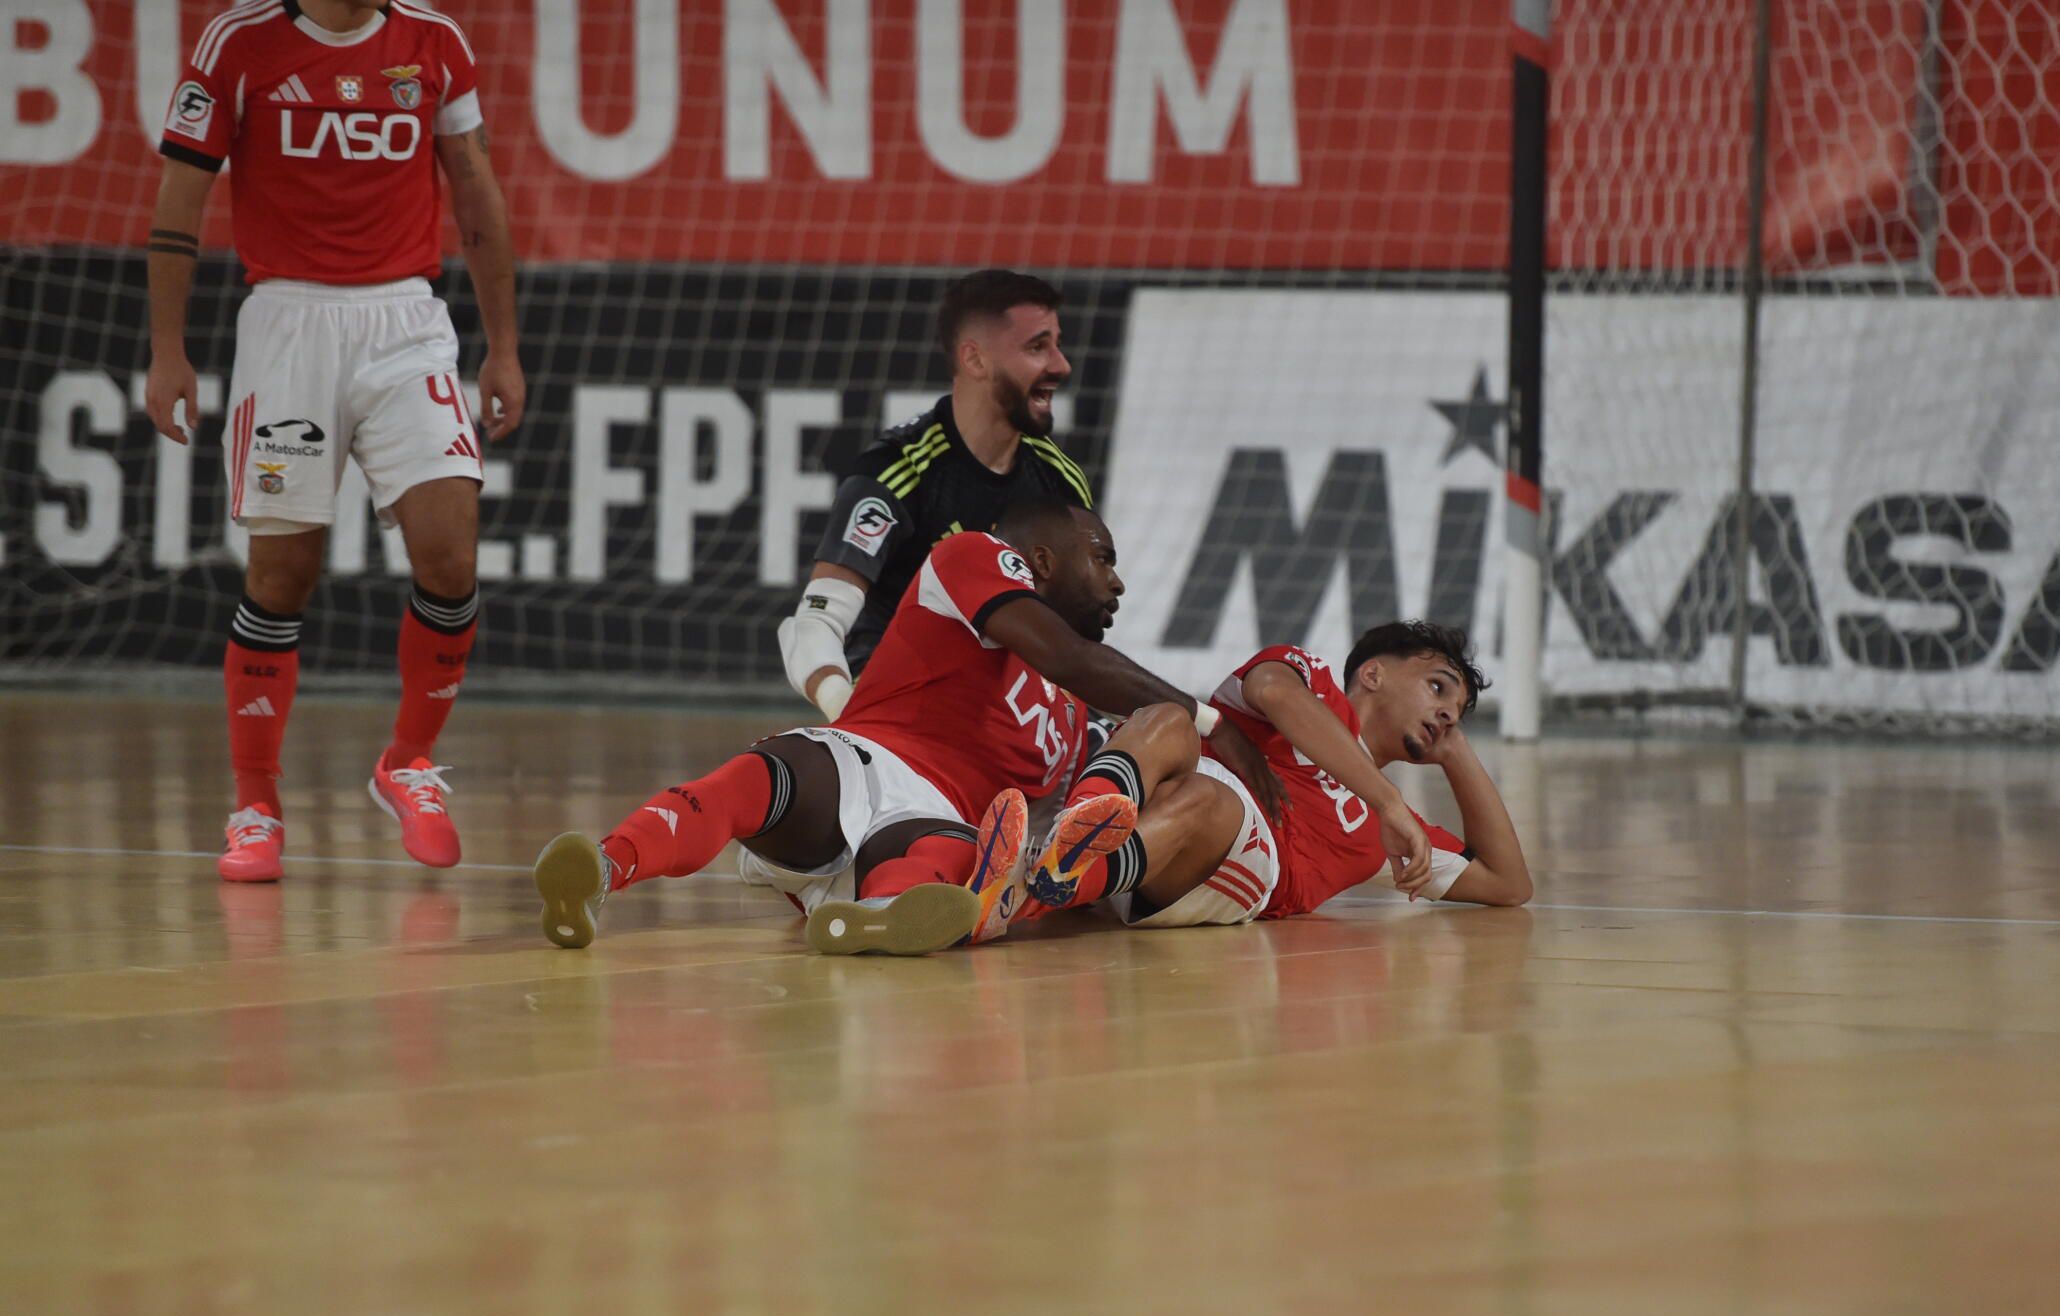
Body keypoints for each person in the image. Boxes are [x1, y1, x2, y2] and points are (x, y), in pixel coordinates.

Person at [534, 498, 1283, 955]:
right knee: (767, 776)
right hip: (869, 756)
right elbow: (1072, 656)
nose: (1117, 581)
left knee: (933, 860)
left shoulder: (1075, 717)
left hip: (940, 821)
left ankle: (872, 922)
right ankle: (604, 867)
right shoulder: (975, 557)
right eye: (1102, 558)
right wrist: (1210, 717)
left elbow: (1092, 789)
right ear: (1041, 558)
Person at [145, 0, 525, 882]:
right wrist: (169, 350)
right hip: (288, 325)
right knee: (281, 576)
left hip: (406, 324)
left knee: (450, 553)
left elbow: (474, 187)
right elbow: (179, 203)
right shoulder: (237, 44)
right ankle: (255, 804)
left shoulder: (434, 40)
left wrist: (502, 344)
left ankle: (408, 762)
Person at [848, 622, 1528, 952]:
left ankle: (1026, 889)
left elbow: (1508, 882)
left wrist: (1459, 750)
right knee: (1170, 717)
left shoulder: (1390, 834)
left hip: (1232, 872)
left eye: (1457, 711)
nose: (1446, 711)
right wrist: (1387, 802)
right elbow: (1271, 694)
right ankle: (1052, 860)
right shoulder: (1310, 680)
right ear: (1374, 673)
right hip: (1152, 809)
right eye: (1439, 687)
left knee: (1213, 801)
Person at [778, 269, 1093, 721]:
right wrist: (845, 709)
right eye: (1037, 347)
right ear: (976, 360)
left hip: (1014, 719)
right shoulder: (897, 473)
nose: (1061, 365)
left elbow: (1075, 643)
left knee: (1163, 755)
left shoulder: (1061, 483)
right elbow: (814, 625)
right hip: (905, 713)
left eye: (1058, 345)